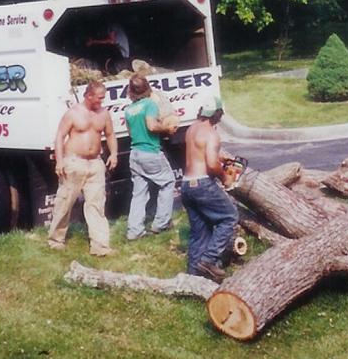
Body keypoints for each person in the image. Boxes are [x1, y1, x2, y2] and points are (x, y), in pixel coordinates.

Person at [47, 80, 118, 255]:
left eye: (103, 98)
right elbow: (60, 136)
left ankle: (100, 246)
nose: (101, 101)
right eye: (99, 98)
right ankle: (55, 239)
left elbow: (110, 134)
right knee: (65, 201)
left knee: (96, 204)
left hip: (95, 163)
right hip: (74, 161)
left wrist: (114, 154)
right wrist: (60, 160)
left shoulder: (104, 114)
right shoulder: (72, 113)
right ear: (88, 95)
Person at [181, 96, 238, 283]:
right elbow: (212, 164)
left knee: (200, 231)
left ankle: (193, 278)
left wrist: (222, 160)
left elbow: (201, 153)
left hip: (187, 184)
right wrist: (226, 178)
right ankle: (209, 260)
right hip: (202, 184)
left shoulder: (192, 129)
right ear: (217, 115)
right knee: (229, 216)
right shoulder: (211, 133)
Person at [124, 73, 177, 240]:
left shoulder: (129, 110)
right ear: (147, 88)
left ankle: (135, 231)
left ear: (131, 91)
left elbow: (130, 132)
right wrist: (166, 129)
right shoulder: (150, 104)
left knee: (139, 193)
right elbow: (152, 126)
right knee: (168, 182)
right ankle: (161, 224)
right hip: (150, 151)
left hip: (135, 154)